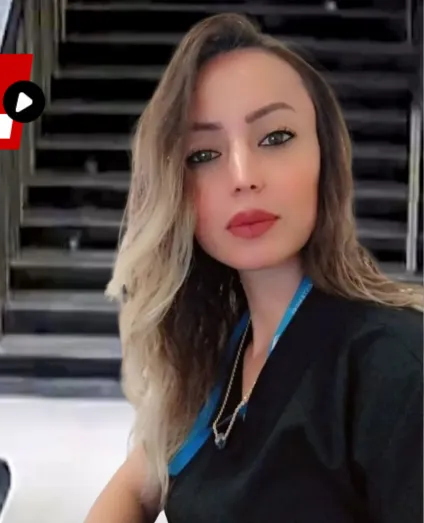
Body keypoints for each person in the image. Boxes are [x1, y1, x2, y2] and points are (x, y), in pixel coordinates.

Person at [84, 14, 423, 523]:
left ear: (326, 160)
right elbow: (137, 484)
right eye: (203, 154)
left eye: (275, 137)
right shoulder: (221, 349)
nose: (242, 176)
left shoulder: (395, 365)